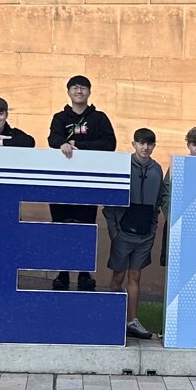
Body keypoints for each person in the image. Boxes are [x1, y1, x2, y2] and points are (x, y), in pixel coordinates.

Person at [47, 75, 117, 290]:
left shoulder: (99, 118)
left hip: (88, 184)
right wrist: (64, 144)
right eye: (75, 87)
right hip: (62, 184)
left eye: (83, 87)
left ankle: (84, 274)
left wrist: (79, 145)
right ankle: (63, 274)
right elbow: (53, 139)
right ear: (68, 92)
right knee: (62, 229)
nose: (79, 91)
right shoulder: (60, 117)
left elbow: (109, 143)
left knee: (85, 229)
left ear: (89, 92)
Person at [106, 128, 163, 339]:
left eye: (149, 143)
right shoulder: (122, 165)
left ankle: (132, 320)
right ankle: (111, 318)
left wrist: (153, 229)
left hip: (145, 233)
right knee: (118, 274)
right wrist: (113, 229)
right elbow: (110, 201)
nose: (145, 147)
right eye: (141, 143)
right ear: (133, 144)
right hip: (122, 231)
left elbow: (158, 203)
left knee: (136, 275)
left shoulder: (157, 169)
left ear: (154, 146)